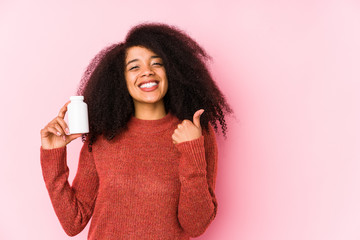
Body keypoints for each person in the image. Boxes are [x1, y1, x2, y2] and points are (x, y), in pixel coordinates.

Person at [40, 23, 233, 239]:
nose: (147, 72)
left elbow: (195, 226)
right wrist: (53, 157)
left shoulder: (196, 132)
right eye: (134, 67)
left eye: (156, 63)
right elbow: (73, 222)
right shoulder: (104, 135)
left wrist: (192, 150)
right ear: (120, 79)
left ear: (172, 71)